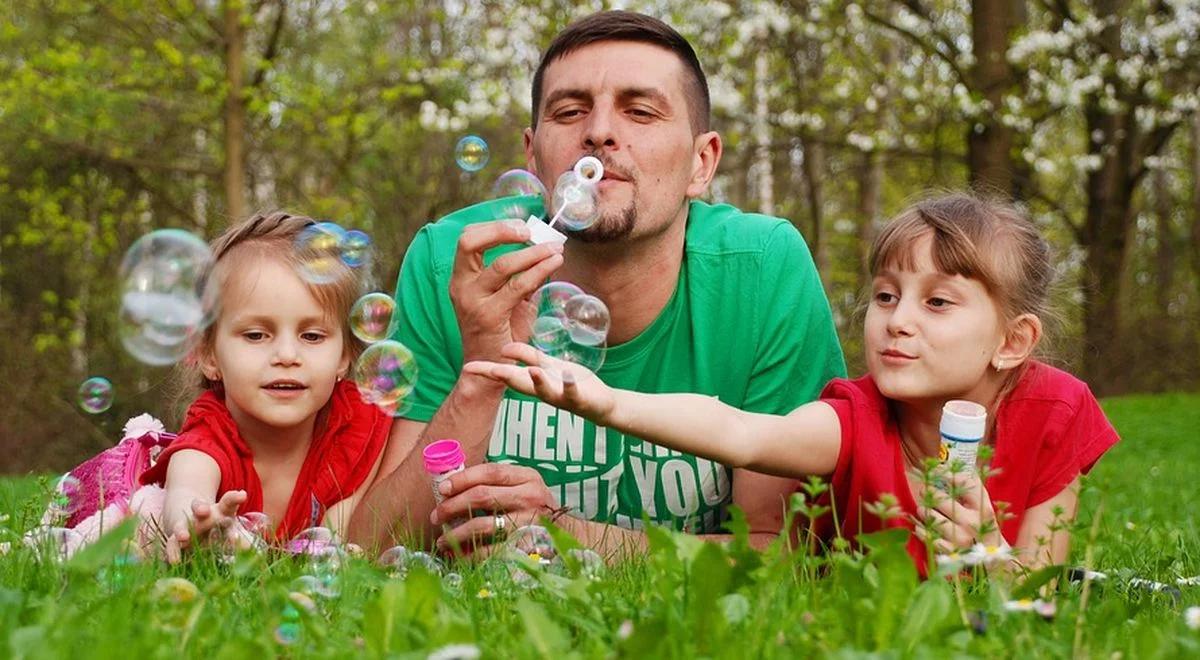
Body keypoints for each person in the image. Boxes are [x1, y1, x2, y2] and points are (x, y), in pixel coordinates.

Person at [348, 11, 845, 553]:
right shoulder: (458, 261)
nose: (599, 131)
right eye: (569, 111)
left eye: (640, 111)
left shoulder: (762, 269)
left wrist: (568, 537)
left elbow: (786, 555)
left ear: (702, 164)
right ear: (533, 156)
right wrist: (482, 375)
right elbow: (375, 547)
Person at [466, 193, 1120, 573]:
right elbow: (742, 433)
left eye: (938, 303)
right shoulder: (856, 419)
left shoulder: (1057, 411)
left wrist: (988, 556)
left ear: (1013, 342)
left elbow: (1040, 592)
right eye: (887, 296)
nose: (897, 322)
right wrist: (607, 401)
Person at [135, 211, 391, 561]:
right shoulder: (212, 432)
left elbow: (338, 533)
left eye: (312, 335)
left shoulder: (356, 424)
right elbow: (187, 489)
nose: (287, 355)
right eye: (256, 335)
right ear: (209, 354)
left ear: (345, 355)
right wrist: (195, 525)